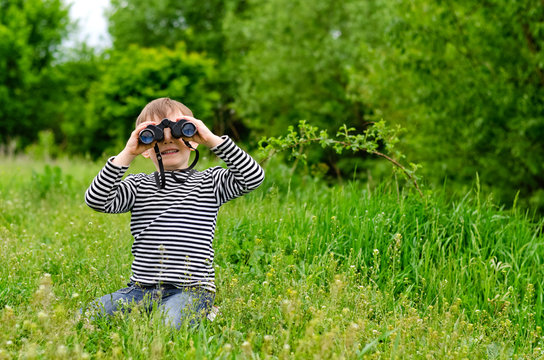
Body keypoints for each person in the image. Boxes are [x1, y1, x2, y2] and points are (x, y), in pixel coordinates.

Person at [84, 97, 265, 328]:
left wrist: (211, 139)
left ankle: (202, 309)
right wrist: (128, 152)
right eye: (155, 133)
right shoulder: (137, 186)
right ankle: (175, 313)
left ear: (193, 139)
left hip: (192, 289)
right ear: (146, 149)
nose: (167, 138)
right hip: (140, 289)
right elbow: (97, 200)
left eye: (178, 130)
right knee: (88, 315)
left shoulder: (210, 182)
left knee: (168, 325)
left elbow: (253, 177)